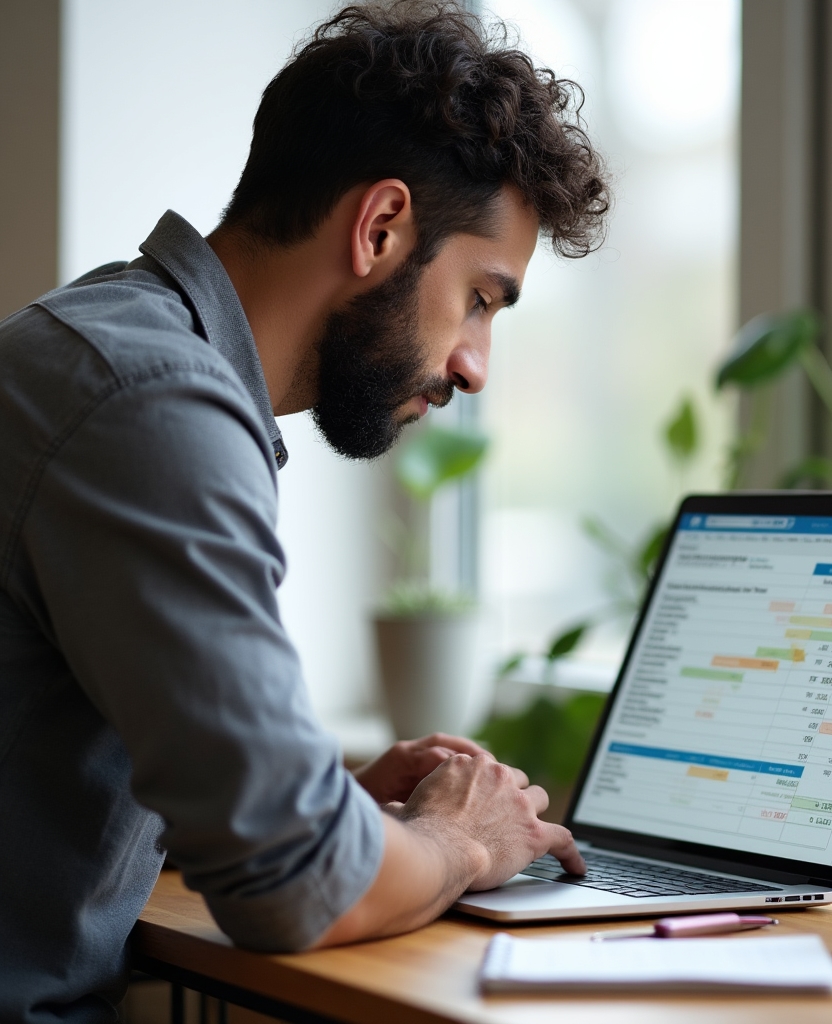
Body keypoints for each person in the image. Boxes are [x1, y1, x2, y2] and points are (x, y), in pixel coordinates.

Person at [0, 2, 610, 1021]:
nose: (474, 365)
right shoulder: (151, 405)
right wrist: (464, 842)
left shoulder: (99, 345)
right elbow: (294, 887)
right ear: (380, 228)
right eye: (480, 299)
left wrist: (342, 808)